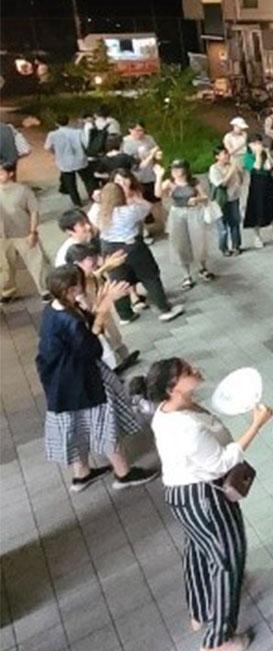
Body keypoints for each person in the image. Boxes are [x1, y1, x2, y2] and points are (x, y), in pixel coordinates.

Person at [147, 357, 273, 651]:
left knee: (199, 549)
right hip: (204, 497)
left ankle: (200, 609)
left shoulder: (166, 412)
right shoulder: (186, 428)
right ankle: (218, 639)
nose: (194, 369)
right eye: (186, 372)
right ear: (172, 388)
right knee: (227, 559)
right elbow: (220, 463)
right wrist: (256, 425)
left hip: (181, 493)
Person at [36, 266, 157, 491]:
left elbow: (84, 328)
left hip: (58, 382)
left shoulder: (53, 309)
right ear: (71, 288)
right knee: (103, 422)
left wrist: (99, 306)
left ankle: (81, 474)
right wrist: (102, 311)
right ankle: (124, 474)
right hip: (81, 380)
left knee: (72, 425)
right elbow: (91, 348)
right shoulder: (68, 319)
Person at [94, 175, 183, 323]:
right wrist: (132, 196)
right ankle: (164, 308)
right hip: (132, 247)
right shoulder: (129, 211)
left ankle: (125, 315)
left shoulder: (98, 212)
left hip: (109, 248)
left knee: (118, 281)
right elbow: (147, 207)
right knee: (149, 275)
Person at [63, 242, 138, 372]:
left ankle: (122, 358)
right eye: (86, 259)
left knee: (114, 336)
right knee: (105, 344)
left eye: (90, 257)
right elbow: (89, 316)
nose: (91, 261)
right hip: (95, 323)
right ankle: (114, 368)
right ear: (76, 264)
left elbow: (95, 274)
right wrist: (105, 301)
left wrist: (107, 266)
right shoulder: (77, 289)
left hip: (103, 315)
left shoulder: (89, 276)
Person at [155, 159, 214, 289]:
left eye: (178, 168)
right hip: (177, 213)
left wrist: (197, 199)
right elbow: (158, 194)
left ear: (185, 170)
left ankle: (202, 267)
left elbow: (205, 196)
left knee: (199, 241)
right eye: (173, 169)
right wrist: (159, 176)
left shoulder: (193, 182)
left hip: (193, 212)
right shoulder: (170, 183)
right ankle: (186, 275)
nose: (175, 171)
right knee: (180, 243)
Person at [0, 161, 49, 303]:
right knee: (5, 266)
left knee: (37, 262)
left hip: (24, 232)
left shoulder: (23, 191)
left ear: (10, 173)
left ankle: (45, 290)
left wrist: (33, 232)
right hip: (3, 236)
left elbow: (34, 211)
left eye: (1, 173)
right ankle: (8, 291)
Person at [121, 123, 164, 237]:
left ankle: (162, 224)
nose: (140, 133)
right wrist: (151, 154)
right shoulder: (125, 143)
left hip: (151, 175)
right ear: (130, 130)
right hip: (136, 177)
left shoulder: (149, 139)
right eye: (137, 130)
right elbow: (134, 163)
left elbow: (156, 151)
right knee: (139, 203)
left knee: (157, 201)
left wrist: (158, 155)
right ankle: (144, 229)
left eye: (142, 130)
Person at [243, 134, 273, 247]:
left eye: (259, 143)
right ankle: (257, 237)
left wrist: (269, 156)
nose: (258, 145)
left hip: (268, 182)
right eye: (254, 143)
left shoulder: (265, 154)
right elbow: (256, 167)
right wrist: (257, 154)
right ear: (249, 145)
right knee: (256, 209)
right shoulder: (247, 156)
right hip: (256, 185)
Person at [45, 115, 92, 207]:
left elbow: (47, 147)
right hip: (80, 159)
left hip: (64, 162)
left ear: (56, 123)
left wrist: (55, 153)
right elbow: (85, 144)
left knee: (71, 184)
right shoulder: (77, 132)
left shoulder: (52, 134)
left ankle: (77, 203)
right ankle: (92, 197)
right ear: (68, 122)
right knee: (87, 180)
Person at [208, 145, 244, 257]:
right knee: (222, 227)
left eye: (227, 153)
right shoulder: (214, 169)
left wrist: (238, 172)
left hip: (233, 198)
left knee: (235, 223)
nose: (227, 155)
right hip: (220, 201)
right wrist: (231, 171)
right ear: (217, 156)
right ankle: (224, 248)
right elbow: (221, 184)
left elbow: (240, 181)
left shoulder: (231, 166)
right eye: (224, 153)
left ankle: (236, 246)